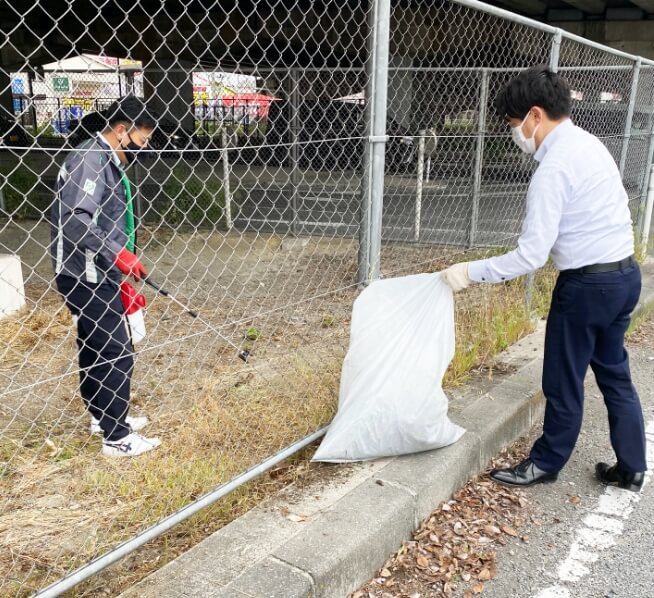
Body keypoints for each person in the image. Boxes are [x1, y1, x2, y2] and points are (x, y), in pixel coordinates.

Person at [441, 66, 646, 492]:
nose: (516, 134)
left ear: (535, 115)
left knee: (562, 378)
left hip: (587, 287)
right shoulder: (590, 144)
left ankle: (546, 462)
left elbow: (531, 255)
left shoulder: (553, 170)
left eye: (515, 125)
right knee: (614, 373)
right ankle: (632, 465)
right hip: (624, 275)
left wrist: (470, 272)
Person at [50, 95, 161, 457]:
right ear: (120, 130)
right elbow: (74, 219)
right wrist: (118, 253)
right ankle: (117, 437)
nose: (145, 147)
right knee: (116, 349)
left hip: (100, 272)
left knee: (95, 344)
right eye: (142, 140)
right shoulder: (91, 160)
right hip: (85, 274)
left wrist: (119, 258)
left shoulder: (106, 160)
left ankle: (102, 416)